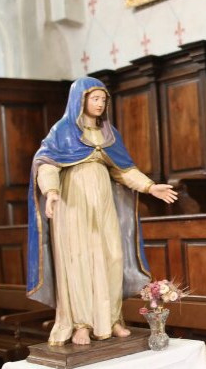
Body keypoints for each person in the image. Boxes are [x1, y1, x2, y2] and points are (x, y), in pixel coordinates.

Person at [27, 77, 177, 346]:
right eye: (94, 98)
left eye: (103, 99)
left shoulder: (109, 134)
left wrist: (149, 186)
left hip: (104, 203)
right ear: (80, 100)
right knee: (78, 260)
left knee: (112, 256)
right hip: (72, 203)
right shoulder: (62, 131)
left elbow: (124, 170)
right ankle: (81, 323)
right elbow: (47, 163)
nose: (100, 104)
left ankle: (111, 319)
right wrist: (50, 191)